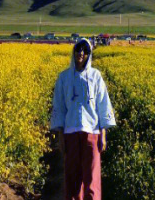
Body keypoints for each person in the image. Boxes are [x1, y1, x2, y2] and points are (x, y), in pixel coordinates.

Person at [50, 38, 116, 200]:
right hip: (70, 132)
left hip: (92, 132)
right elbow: (59, 106)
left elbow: (103, 104)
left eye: (85, 50)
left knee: (92, 178)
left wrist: (103, 135)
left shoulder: (95, 76)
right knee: (72, 177)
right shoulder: (64, 77)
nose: (81, 53)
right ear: (73, 51)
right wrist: (61, 137)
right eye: (78, 49)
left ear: (89, 54)